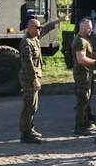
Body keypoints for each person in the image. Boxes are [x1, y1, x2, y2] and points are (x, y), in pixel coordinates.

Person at [19, 15, 69, 144]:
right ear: (30, 28)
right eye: (37, 28)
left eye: (39, 28)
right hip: (29, 78)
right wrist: (34, 79)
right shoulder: (26, 42)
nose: (40, 30)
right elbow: (27, 63)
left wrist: (60, 20)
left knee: (33, 106)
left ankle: (30, 129)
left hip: (33, 78)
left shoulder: (35, 38)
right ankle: (26, 135)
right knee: (29, 106)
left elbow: (46, 28)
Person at [72, 18, 96, 136]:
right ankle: (79, 126)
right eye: (89, 27)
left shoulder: (85, 39)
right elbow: (81, 59)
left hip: (87, 74)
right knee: (82, 100)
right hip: (82, 75)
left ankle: (87, 119)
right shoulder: (80, 41)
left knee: (87, 98)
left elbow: (88, 54)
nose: (91, 30)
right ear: (82, 28)